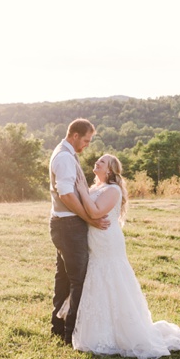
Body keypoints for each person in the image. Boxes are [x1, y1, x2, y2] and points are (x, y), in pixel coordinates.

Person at [61, 154, 180, 359]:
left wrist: (83, 191)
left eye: (101, 162)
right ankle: (100, 329)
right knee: (96, 278)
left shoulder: (113, 190)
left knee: (112, 278)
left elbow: (95, 213)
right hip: (93, 241)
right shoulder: (94, 188)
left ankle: (123, 330)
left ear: (109, 170)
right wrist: (84, 191)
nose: (97, 163)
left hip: (108, 241)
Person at [48, 119, 109, 344]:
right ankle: (71, 333)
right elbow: (65, 194)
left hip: (64, 224)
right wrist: (88, 218)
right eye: (85, 140)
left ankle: (59, 326)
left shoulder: (66, 153)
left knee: (64, 277)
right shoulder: (64, 157)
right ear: (74, 135)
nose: (87, 145)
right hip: (68, 226)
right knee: (78, 279)